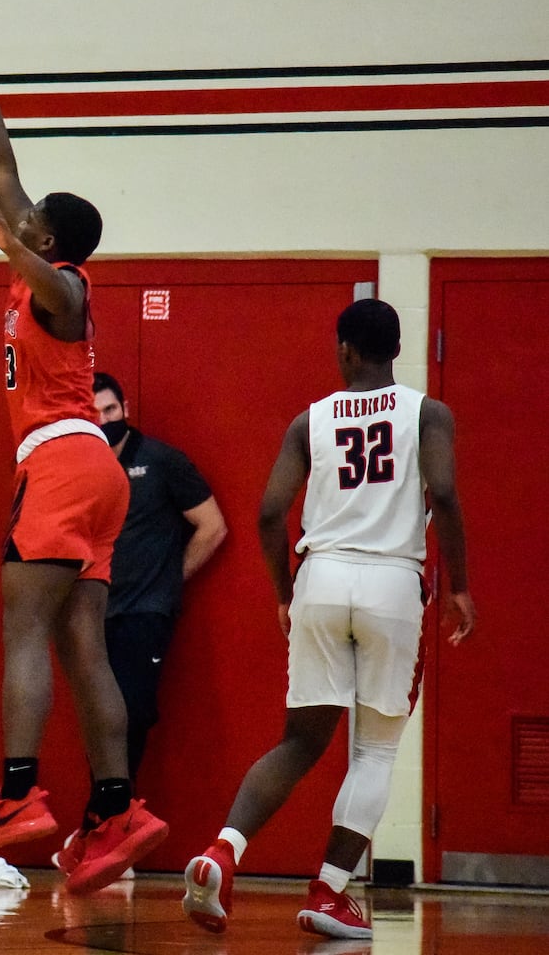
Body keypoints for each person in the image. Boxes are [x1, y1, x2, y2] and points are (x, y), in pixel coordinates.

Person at [0, 6, 167, 894]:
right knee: (83, 647)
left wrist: (11, 247)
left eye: (28, 221)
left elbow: (44, 264)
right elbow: (1, 165)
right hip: (94, 474)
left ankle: (17, 797)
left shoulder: (64, 286)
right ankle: (116, 809)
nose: (13, 215)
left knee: (21, 629)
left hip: (63, 464)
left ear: (48, 241)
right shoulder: (37, 262)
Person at [182, 298, 476, 941]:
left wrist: (286, 592)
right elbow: (446, 493)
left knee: (300, 741)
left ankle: (223, 851)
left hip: (321, 576)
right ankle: (329, 892)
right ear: (396, 349)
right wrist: (460, 585)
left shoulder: (308, 421)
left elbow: (268, 513)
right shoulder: (429, 413)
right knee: (374, 748)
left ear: (345, 350)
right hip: (393, 584)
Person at [91, 372, 227, 784]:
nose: (104, 419)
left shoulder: (162, 460)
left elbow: (212, 527)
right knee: (100, 717)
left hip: (144, 614)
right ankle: (103, 819)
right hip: (92, 614)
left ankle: (113, 816)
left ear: (125, 409)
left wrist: (167, 580)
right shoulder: (82, 468)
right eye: (93, 414)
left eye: (110, 409)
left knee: (131, 712)